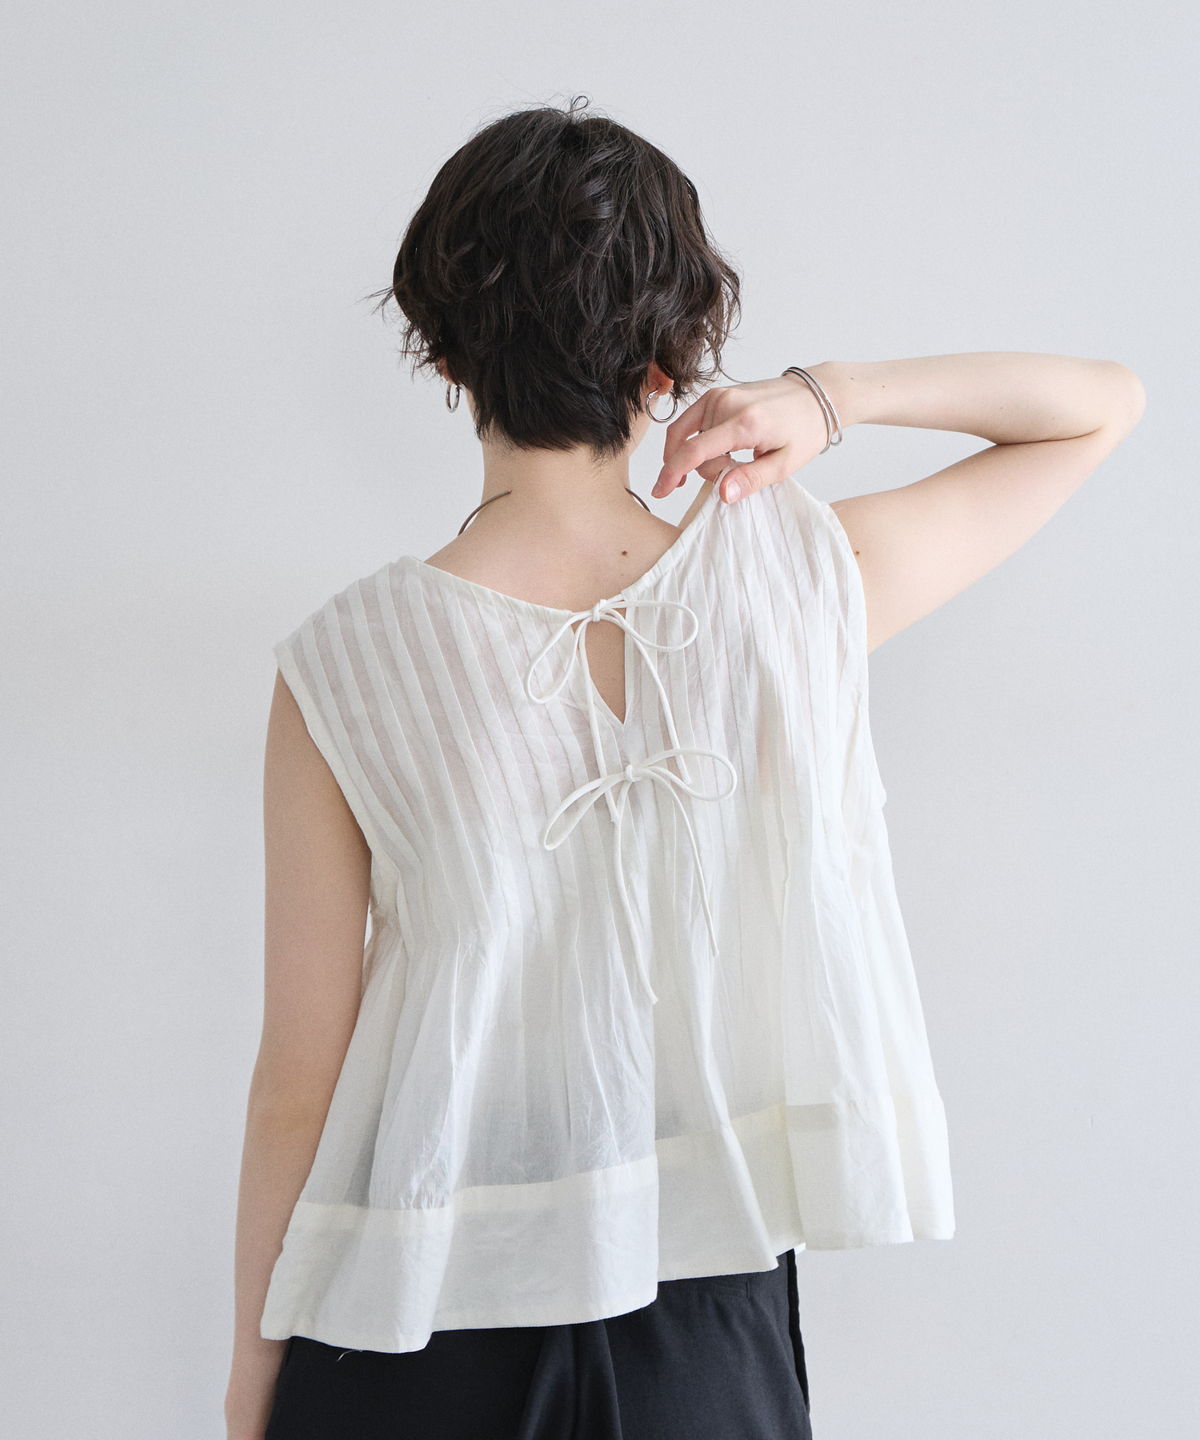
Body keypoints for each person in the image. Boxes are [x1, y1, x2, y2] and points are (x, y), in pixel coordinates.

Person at [224, 96, 1146, 1440]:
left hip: (410, 1315)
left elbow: (299, 1079)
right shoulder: (799, 586)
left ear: (443, 345)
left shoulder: (343, 666)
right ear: (670, 355)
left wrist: (253, 1381)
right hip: (705, 1321)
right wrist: (831, 398)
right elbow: (1099, 408)